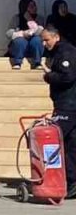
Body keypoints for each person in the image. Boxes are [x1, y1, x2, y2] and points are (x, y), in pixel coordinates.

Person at [40, 24, 76, 199]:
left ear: (56, 37)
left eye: (47, 40)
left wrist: (48, 75)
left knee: (56, 142)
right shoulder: (59, 51)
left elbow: (67, 76)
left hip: (67, 106)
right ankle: (72, 183)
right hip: (67, 105)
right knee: (71, 145)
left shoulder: (65, 52)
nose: (45, 44)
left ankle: (63, 181)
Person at [6, 0, 46, 70]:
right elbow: (9, 33)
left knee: (37, 40)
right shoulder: (17, 18)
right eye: (31, 6)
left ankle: (37, 63)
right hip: (20, 47)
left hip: (33, 46)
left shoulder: (39, 18)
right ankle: (17, 63)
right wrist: (23, 33)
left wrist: (30, 20)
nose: (34, 8)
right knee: (20, 41)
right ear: (25, 7)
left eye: (34, 5)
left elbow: (41, 31)